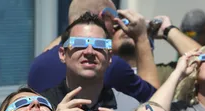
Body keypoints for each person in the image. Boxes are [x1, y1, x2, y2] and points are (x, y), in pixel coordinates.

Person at [28, 0, 158, 101]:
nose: (114, 30)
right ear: (102, 17)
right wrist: (142, 38)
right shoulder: (109, 65)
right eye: (114, 22)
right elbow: (153, 101)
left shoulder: (37, 64)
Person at [113, 15, 202, 85]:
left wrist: (167, 30)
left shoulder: (168, 74)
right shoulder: (103, 71)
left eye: (139, 29)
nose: (129, 29)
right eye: (121, 26)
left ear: (150, 44)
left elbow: (203, 60)